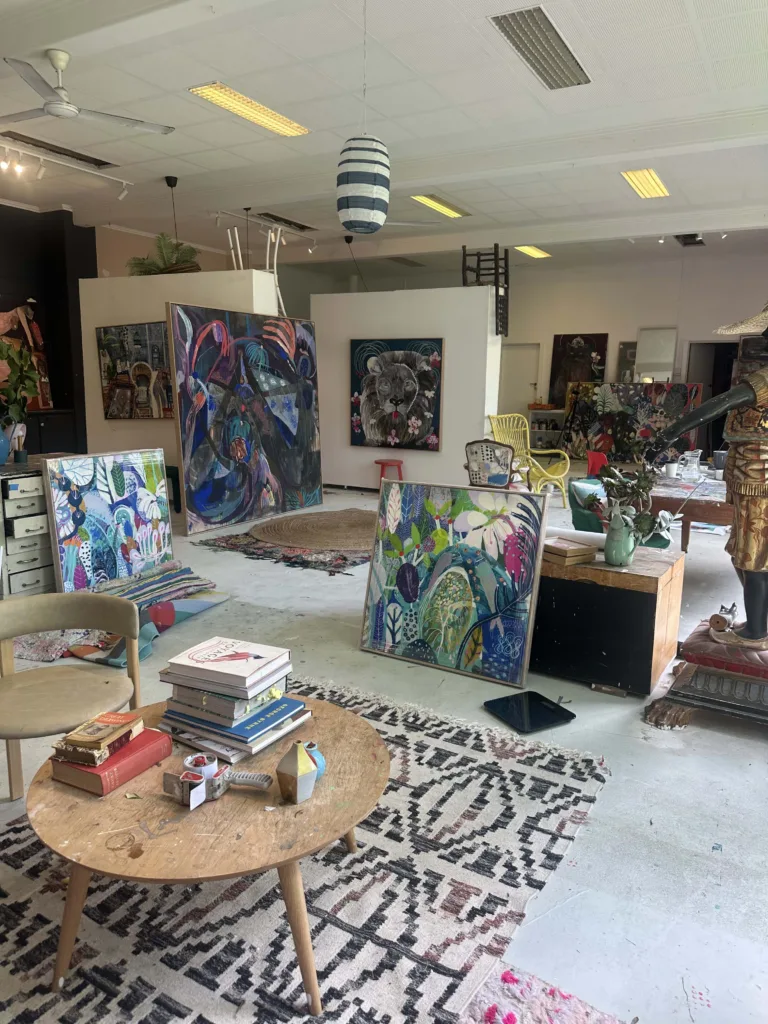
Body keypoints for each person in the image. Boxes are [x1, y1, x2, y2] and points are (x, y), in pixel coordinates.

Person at [648, 306, 768, 648]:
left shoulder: (763, 380)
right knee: (747, 552)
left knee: (753, 556)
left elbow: (720, 403)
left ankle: (756, 632)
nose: (761, 341)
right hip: (750, 477)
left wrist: (670, 432)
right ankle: (759, 624)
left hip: (757, 480)